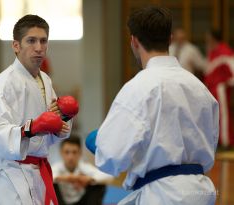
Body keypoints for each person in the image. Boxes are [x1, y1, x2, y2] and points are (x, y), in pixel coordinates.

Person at [86, 6, 219, 205]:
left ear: (134, 41)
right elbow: (211, 142)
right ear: (170, 39)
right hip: (201, 192)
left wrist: (100, 143)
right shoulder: (200, 89)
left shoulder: (139, 88)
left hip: (162, 195)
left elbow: (111, 158)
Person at [0, 15, 79, 205]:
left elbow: (51, 133)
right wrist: (31, 128)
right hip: (8, 173)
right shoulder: (3, 84)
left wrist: (63, 116)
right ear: (16, 46)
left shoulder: (45, 80)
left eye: (43, 41)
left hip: (36, 171)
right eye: (31, 41)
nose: (38, 47)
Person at [52, 136, 113, 205]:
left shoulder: (84, 167)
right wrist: (67, 178)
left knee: (98, 185)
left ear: (80, 153)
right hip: (61, 202)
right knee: (51, 184)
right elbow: (46, 178)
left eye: (74, 152)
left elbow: (109, 177)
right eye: (67, 152)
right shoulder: (57, 167)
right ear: (61, 153)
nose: (70, 157)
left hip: (82, 202)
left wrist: (88, 180)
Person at [204, 29, 234, 147]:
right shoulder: (212, 52)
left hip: (221, 89)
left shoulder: (225, 51)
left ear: (213, 38)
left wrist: (228, 82)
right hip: (211, 88)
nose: (207, 41)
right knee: (214, 115)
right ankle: (217, 141)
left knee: (223, 114)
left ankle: (227, 141)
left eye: (208, 38)